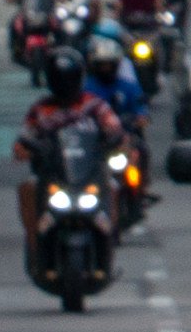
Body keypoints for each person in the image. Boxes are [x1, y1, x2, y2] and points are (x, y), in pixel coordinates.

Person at [19, 43, 127, 255]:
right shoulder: (40, 110)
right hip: (53, 174)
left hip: (89, 172)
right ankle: (34, 244)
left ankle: (110, 239)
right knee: (27, 189)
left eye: (69, 78)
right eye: (60, 79)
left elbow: (115, 129)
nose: (65, 85)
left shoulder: (95, 106)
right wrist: (26, 148)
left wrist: (114, 142)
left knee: (113, 187)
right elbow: (23, 141)